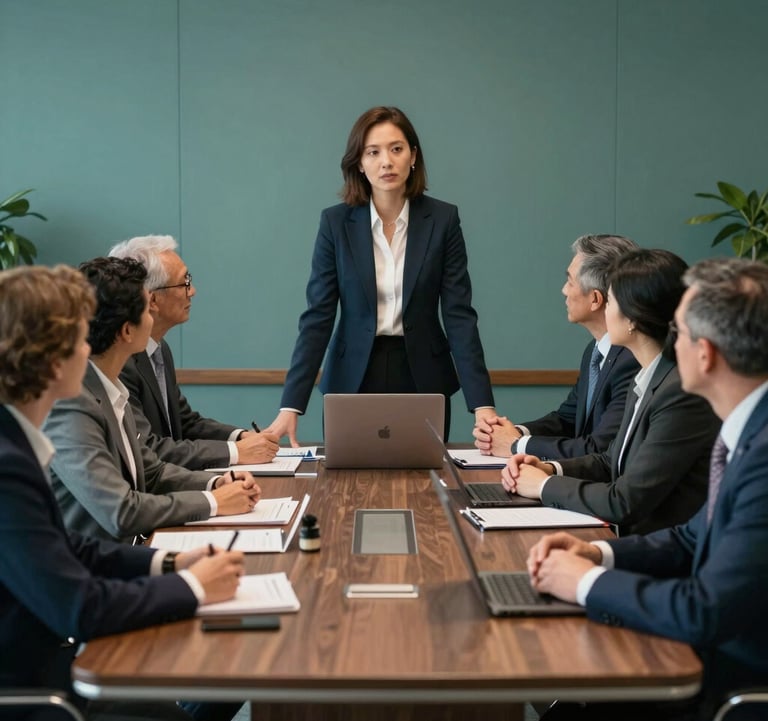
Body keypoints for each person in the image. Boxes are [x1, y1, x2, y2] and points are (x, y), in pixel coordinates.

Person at [0, 265, 246, 721]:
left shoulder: (14, 444)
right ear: (53, 362)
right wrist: (192, 586)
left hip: (53, 664)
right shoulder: (8, 466)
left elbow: (69, 548)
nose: (88, 347)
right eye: (79, 339)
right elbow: (80, 607)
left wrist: (170, 563)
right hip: (38, 692)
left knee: (226, 670)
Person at [527, 257, 768, 721]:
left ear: (707, 353)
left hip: (724, 686)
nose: (670, 343)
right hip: (698, 655)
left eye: (679, 331)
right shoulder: (747, 431)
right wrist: (597, 556)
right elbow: (688, 537)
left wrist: (586, 582)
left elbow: (704, 610)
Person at [264, 106, 495, 444]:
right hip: (352, 376)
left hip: (423, 374)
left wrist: (482, 405)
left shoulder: (443, 221)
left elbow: (459, 315)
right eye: (373, 152)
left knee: (425, 485)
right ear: (360, 162)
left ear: (413, 156)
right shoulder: (335, 223)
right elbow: (318, 316)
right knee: (347, 487)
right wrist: (291, 406)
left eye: (396, 149)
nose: (386, 161)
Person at [501, 249, 720, 535]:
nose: (605, 309)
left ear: (633, 319)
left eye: (611, 301)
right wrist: (551, 469)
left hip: (656, 553)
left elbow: (625, 501)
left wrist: (542, 486)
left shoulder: (679, 393)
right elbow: (610, 460)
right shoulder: (648, 375)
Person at [45, 257, 261, 543]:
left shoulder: (108, 387)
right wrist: (215, 503)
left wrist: (218, 483)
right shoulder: (71, 405)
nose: (152, 317)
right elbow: (122, 512)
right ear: (126, 331)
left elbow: (153, 472)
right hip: (96, 572)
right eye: (147, 309)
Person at [110, 234, 278, 471]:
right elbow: (147, 448)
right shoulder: (120, 361)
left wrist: (240, 437)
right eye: (184, 282)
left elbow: (185, 422)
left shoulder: (159, 348)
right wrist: (236, 452)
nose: (193, 291)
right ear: (152, 299)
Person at [474, 234, 639, 459]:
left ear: (596, 299)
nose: (564, 290)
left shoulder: (631, 360)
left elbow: (599, 448)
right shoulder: (595, 351)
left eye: (570, 281)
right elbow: (566, 419)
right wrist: (513, 433)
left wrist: (516, 445)